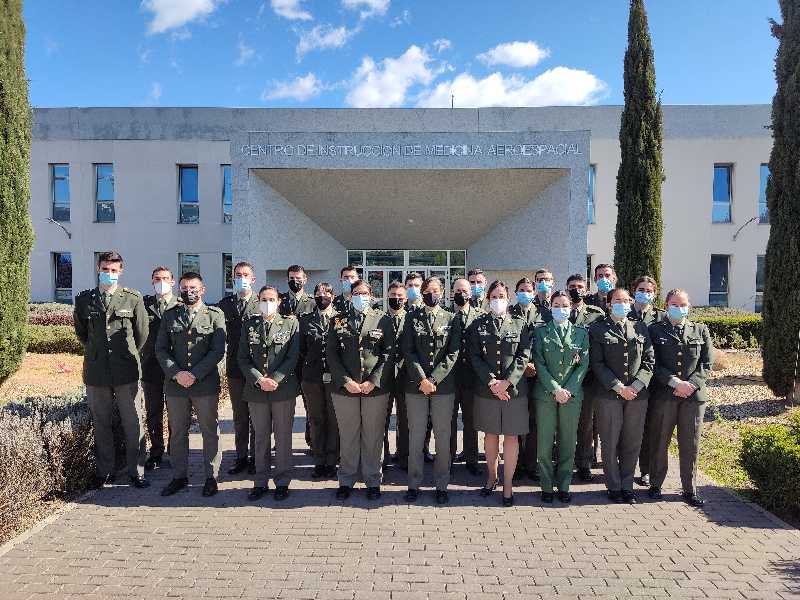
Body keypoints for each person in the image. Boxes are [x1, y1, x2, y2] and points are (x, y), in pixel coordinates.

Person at [73, 251, 149, 489]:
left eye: (114, 271)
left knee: (133, 422)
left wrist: (125, 354)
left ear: (121, 272)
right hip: (97, 372)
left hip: (126, 371)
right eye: (105, 269)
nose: (109, 274)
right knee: (101, 422)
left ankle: (136, 472)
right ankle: (105, 471)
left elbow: (142, 334)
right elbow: (82, 334)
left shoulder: (132, 299)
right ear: (98, 269)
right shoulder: (84, 300)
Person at [156, 272, 226, 497]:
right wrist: (177, 373)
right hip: (176, 385)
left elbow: (217, 350)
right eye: (185, 288)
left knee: (209, 431)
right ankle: (179, 476)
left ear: (203, 290)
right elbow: (161, 348)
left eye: (193, 287)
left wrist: (194, 374)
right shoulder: (170, 315)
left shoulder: (215, 315)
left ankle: (211, 476)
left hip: (204, 384)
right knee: (177, 433)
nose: (189, 291)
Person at [326, 279, 394, 501]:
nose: (360, 296)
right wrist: (346, 380)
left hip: (374, 388)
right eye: (356, 293)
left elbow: (388, 353)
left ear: (371, 296)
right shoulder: (338, 320)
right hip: (346, 389)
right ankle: (346, 479)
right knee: (348, 435)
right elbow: (332, 354)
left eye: (364, 293)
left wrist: (373, 380)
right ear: (349, 295)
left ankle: (373, 480)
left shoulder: (382, 319)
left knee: (373, 436)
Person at [467, 280, 532, 507]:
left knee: (512, 436)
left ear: (508, 298)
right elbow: (474, 356)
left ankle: (507, 483)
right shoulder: (478, 324)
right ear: (487, 299)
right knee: (491, 435)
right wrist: (493, 382)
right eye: (493, 296)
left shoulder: (520, 324)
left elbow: (524, 355)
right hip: (487, 390)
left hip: (513, 391)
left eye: (502, 296)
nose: (498, 300)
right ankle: (492, 477)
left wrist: (507, 382)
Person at [647, 289, 713, 507]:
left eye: (683, 304)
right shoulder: (654, 330)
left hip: (693, 397)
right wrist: (675, 383)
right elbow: (652, 363)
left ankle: (689, 489)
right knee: (659, 440)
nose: (679, 308)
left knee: (690, 443)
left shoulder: (700, 330)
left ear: (689, 306)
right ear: (666, 306)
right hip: (665, 394)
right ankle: (656, 484)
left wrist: (691, 385)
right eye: (674, 304)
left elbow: (706, 364)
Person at [589, 287, 654, 504]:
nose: (622, 304)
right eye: (617, 300)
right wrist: (619, 387)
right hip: (609, 394)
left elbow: (649, 361)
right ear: (608, 304)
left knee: (632, 441)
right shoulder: (597, 329)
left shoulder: (640, 327)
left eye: (626, 300)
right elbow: (597, 363)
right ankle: (614, 486)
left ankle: (627, 486)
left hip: (637, 395)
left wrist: (635, 386)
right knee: (610, 440)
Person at [400, 276, 462, 504]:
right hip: (416, 386)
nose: (431, 294)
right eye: (427, 290)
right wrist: (422, 379)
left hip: (443, 387)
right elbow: (408, 350)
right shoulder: (411, 317)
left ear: (443, 293)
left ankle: (441, 484)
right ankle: (414, 484)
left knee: (443, 436)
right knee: (416, 436)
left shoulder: (451, 318)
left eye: (435, 291)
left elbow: (453, 353)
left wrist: (434, 378)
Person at [237, 286, 300, 501]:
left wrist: (276, 379)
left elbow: (292, 357)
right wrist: (259, 379)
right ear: (257, 300)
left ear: (279, 301)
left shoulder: (291, 323)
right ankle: (260, 481)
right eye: (263, 299)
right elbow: (242, 358)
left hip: (283, 390)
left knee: (283, 438)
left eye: (271, 299)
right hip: (256, 390)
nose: (267, 302)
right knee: (261, 437)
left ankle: (282, 481)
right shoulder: (249, 324)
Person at [531, 291, 590, 503]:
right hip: (546, 394)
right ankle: (547, 486)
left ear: (572, 308)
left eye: (565, 305)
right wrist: (556, 388)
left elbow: (582, 365)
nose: (561, 308)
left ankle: (564, 485)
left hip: (572, 396)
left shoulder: (581, 334)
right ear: (551, 307)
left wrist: (568, 390)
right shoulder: (540, 333)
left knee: (568, 441)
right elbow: (539, 362)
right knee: (545, 442)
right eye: (556, 305)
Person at [217, 262, 259, 476]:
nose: (242, 278)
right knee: (240, 416)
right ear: (233, 279)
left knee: (258, 416)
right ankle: (241, 456)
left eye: (246, 275)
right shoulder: (225, 305)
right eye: (238, 275)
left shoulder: (262, 302)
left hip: (257, 369)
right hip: (235, 369)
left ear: (253, 279)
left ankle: (257, 458)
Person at [566, 274, 606, 482]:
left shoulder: (596, 314)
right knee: (563, 423)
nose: (576, 290)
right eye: (572, 286)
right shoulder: (559, 309)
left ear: (586, 289)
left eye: (580, 286)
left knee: (586, 424)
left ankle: (584, 463)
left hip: (587, 377)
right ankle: (564, 461)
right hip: (562, 377)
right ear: (566, 288)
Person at [141, 266, 181, 471]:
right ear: (152, 281)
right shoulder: (144, 305)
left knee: (176, 412)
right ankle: (156, 451)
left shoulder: (181, 305)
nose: (161, 282)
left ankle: (175, 451)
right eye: (157, 278)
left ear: (173, 282)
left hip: (176, 367)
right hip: (151, 367)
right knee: (153, 412)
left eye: (165, 278)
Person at [628, 275, 667, 487]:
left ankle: (646, 470)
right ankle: (624, 467)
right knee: (629, 428)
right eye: (641, 289)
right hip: (631, 382)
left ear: (655, 293)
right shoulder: (625, 312)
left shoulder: (661, 317)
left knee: (651, 429)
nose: (645, 293)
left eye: (649, 290)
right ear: (634, 291)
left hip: (655, 382)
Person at [298, 282, 339, 479]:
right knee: (316, 420)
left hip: (335, 379)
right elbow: (301, 350)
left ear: (333, 295)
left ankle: (332, 461)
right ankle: (319, 460)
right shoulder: (305, 319)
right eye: (318, 293)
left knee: (333, 419)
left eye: (326, 292)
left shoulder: (340, 318)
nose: (322, 296)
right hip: (312, 378)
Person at [449, 277, 484, 476]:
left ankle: (472, 459)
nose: (461, 294)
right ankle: (449, 457)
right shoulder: (445, 315)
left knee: (471, 421)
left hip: (472, 378)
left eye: (464, 290)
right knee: (449, 420)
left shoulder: (480, 316)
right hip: (450, 378)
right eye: (457, 290)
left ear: (470, 294)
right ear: (451, 293)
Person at [510, 277, 540, 482]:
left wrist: (536, 365)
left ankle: (532, 464)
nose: (525, 293)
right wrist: (522, 366)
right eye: (521, 290)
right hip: (516, 377)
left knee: (535, 423)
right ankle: (517, 464)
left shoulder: (544, 314)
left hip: (538, 376)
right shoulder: (509, 314)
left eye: (529, 290)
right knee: (518, 423)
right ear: (515, 292)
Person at [404, 271, 432, 462]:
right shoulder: (399, 307)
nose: (413, 289)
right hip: (405, 373)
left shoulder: (430, 309)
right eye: (410, 285)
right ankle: (404, 453)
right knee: (405, 420)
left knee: (427, 419)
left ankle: (424, 449)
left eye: (416, 285)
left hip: (425, 375)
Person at [383, 282, 409, 469]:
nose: (397, 298)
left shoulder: (412, 319)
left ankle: (404, 456)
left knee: (405, 420)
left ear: (406, 299)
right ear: (387, 296)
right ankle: (382, 457)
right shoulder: (379, 319)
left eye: (400, 295)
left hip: (406, 377)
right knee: (381, 420)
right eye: (393, 295)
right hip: (383, 377)